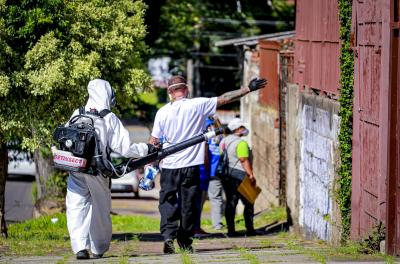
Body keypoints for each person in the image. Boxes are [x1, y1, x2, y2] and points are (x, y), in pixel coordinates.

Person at [149, 75, 267, 254]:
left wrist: (149, 166)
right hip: (191, 165)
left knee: (167, 201)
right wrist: (248, 89)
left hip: (169, 166)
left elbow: (154, 141)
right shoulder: (197, 104)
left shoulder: (162, 112)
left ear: (169, 93)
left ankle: (168, 236)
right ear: (186, 90)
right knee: (189, 204)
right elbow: (226, 98)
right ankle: (185, 241)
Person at [65, 79, 157, 260]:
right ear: (107, 93)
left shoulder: (78, 113)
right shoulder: (108, 117)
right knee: (100, 208)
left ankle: (79, 248)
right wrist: (147, 149)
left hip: (75, 167)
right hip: (97, 169)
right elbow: (124, 148)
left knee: (76, 206)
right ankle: (98, 248)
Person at [220, 118, 257, 237]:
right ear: (239, 129)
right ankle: (250, 229)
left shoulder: (224, 141)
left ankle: (231, 230)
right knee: (249, 201)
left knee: (231, 202)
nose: (245, 130)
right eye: (243, 127)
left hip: (226, 175)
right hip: (240, 175)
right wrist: (251, 174)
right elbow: (243, 159)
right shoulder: (241, 143)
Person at [205, 117, 225, 231]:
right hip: (215, 171)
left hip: (203, 171)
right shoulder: (221, 137)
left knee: (198, 199)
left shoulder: (201, 138)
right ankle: (217, 224)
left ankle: (194, 225)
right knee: (216, 198)